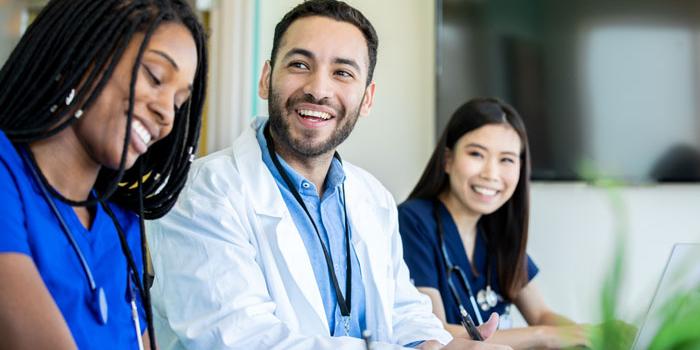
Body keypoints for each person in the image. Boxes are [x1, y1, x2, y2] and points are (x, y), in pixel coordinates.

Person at [147, 1, 510, 349]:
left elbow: (404, 311)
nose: (318, 90)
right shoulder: (201, 191)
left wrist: (439, 345)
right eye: (300, 65)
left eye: (342, 73)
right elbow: (239, 340)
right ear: (265, 79)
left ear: (367, 99)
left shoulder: (374, 197)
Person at [0, 0, 207, 348]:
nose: (166, 115)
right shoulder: (7, 177)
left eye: (178, 103)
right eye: (155, 77)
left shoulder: (120, 224)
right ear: (83, 51)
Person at [398, 98, 590, 349]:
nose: (491, 174)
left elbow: (541, 315)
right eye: (476, 154)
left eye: (507, 159)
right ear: (447, 159)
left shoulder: (497, 229)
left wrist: (591, 335)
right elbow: (436, 330)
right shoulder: (412, 221)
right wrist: (544, 336)